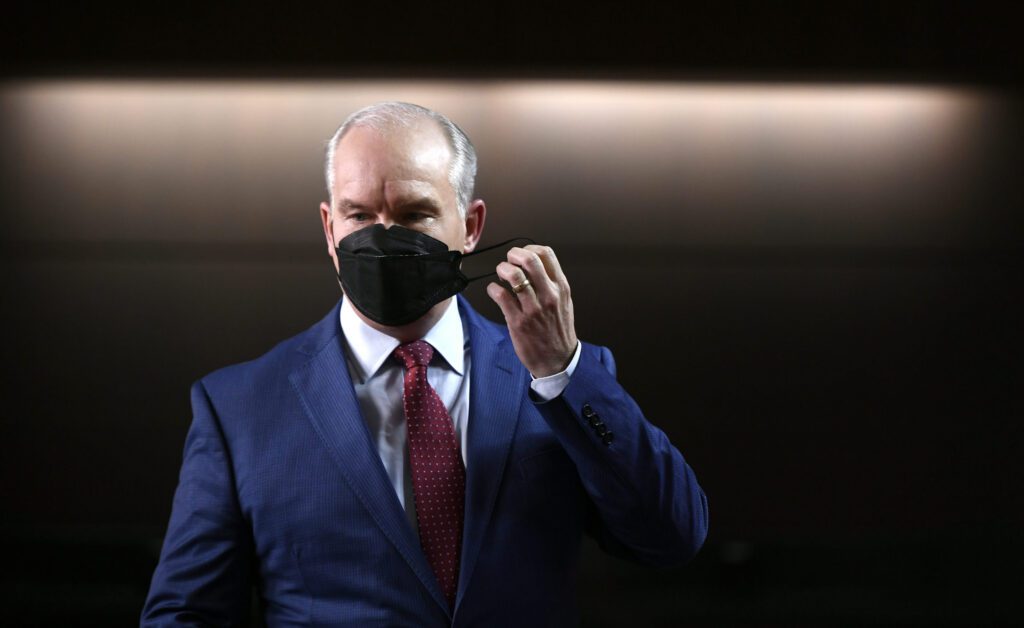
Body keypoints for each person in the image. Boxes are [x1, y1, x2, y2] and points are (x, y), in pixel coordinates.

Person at [141, 102, 708, 627]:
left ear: (471, 227)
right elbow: (185, 615)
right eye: (359, 214)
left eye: (414, 214)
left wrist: (561, 371)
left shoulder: (558, 380)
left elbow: (672, 536)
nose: (383, 238)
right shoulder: (238, 407)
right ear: (329, 229)